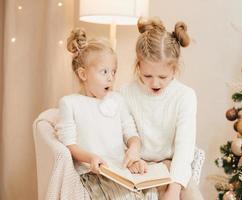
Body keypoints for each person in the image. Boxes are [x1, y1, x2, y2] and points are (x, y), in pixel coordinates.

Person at [56, 28, 152, 200]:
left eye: (113, 71)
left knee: (149, 192)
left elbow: (130, 132)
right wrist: (91, 157)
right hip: (93, 173)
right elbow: (69, 145)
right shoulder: (70, 103)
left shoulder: (117, 100)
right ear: (83, 74)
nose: (111, 78)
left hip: (120, 170)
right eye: (104, 72)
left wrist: (134, 149)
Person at [120, 17, 203, 200]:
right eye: (147, 75)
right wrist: (133, 158)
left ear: (174, 69)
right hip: (138, 167)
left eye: (163, 77)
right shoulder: (125, 93)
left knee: (190, 192)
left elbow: (184, 148)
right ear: (138, 65)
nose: (155, 83)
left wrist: (173, 190)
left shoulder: (185, 96)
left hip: (171, 165)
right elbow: (124, 134)